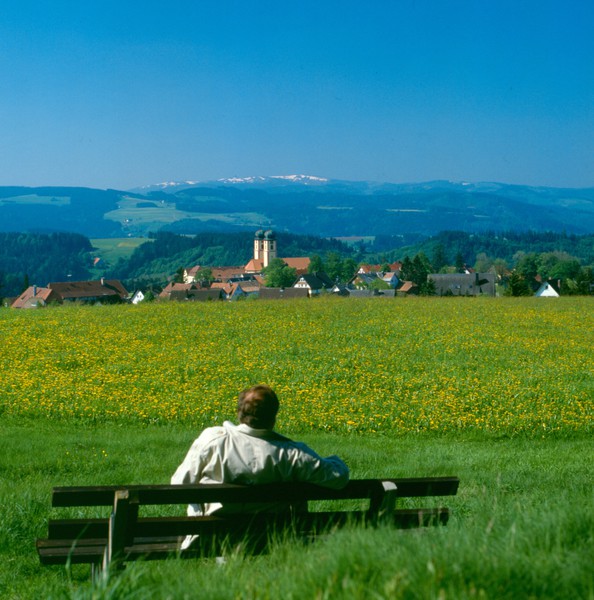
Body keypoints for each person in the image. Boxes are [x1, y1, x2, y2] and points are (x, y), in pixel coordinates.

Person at [171, 384, 349, 549]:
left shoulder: (213, 440)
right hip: (274, 537)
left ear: (239, 413)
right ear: (273, 417)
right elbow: (338, 478)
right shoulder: (293, 453)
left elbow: (179, 484)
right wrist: (335, 460)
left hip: (214, 536)